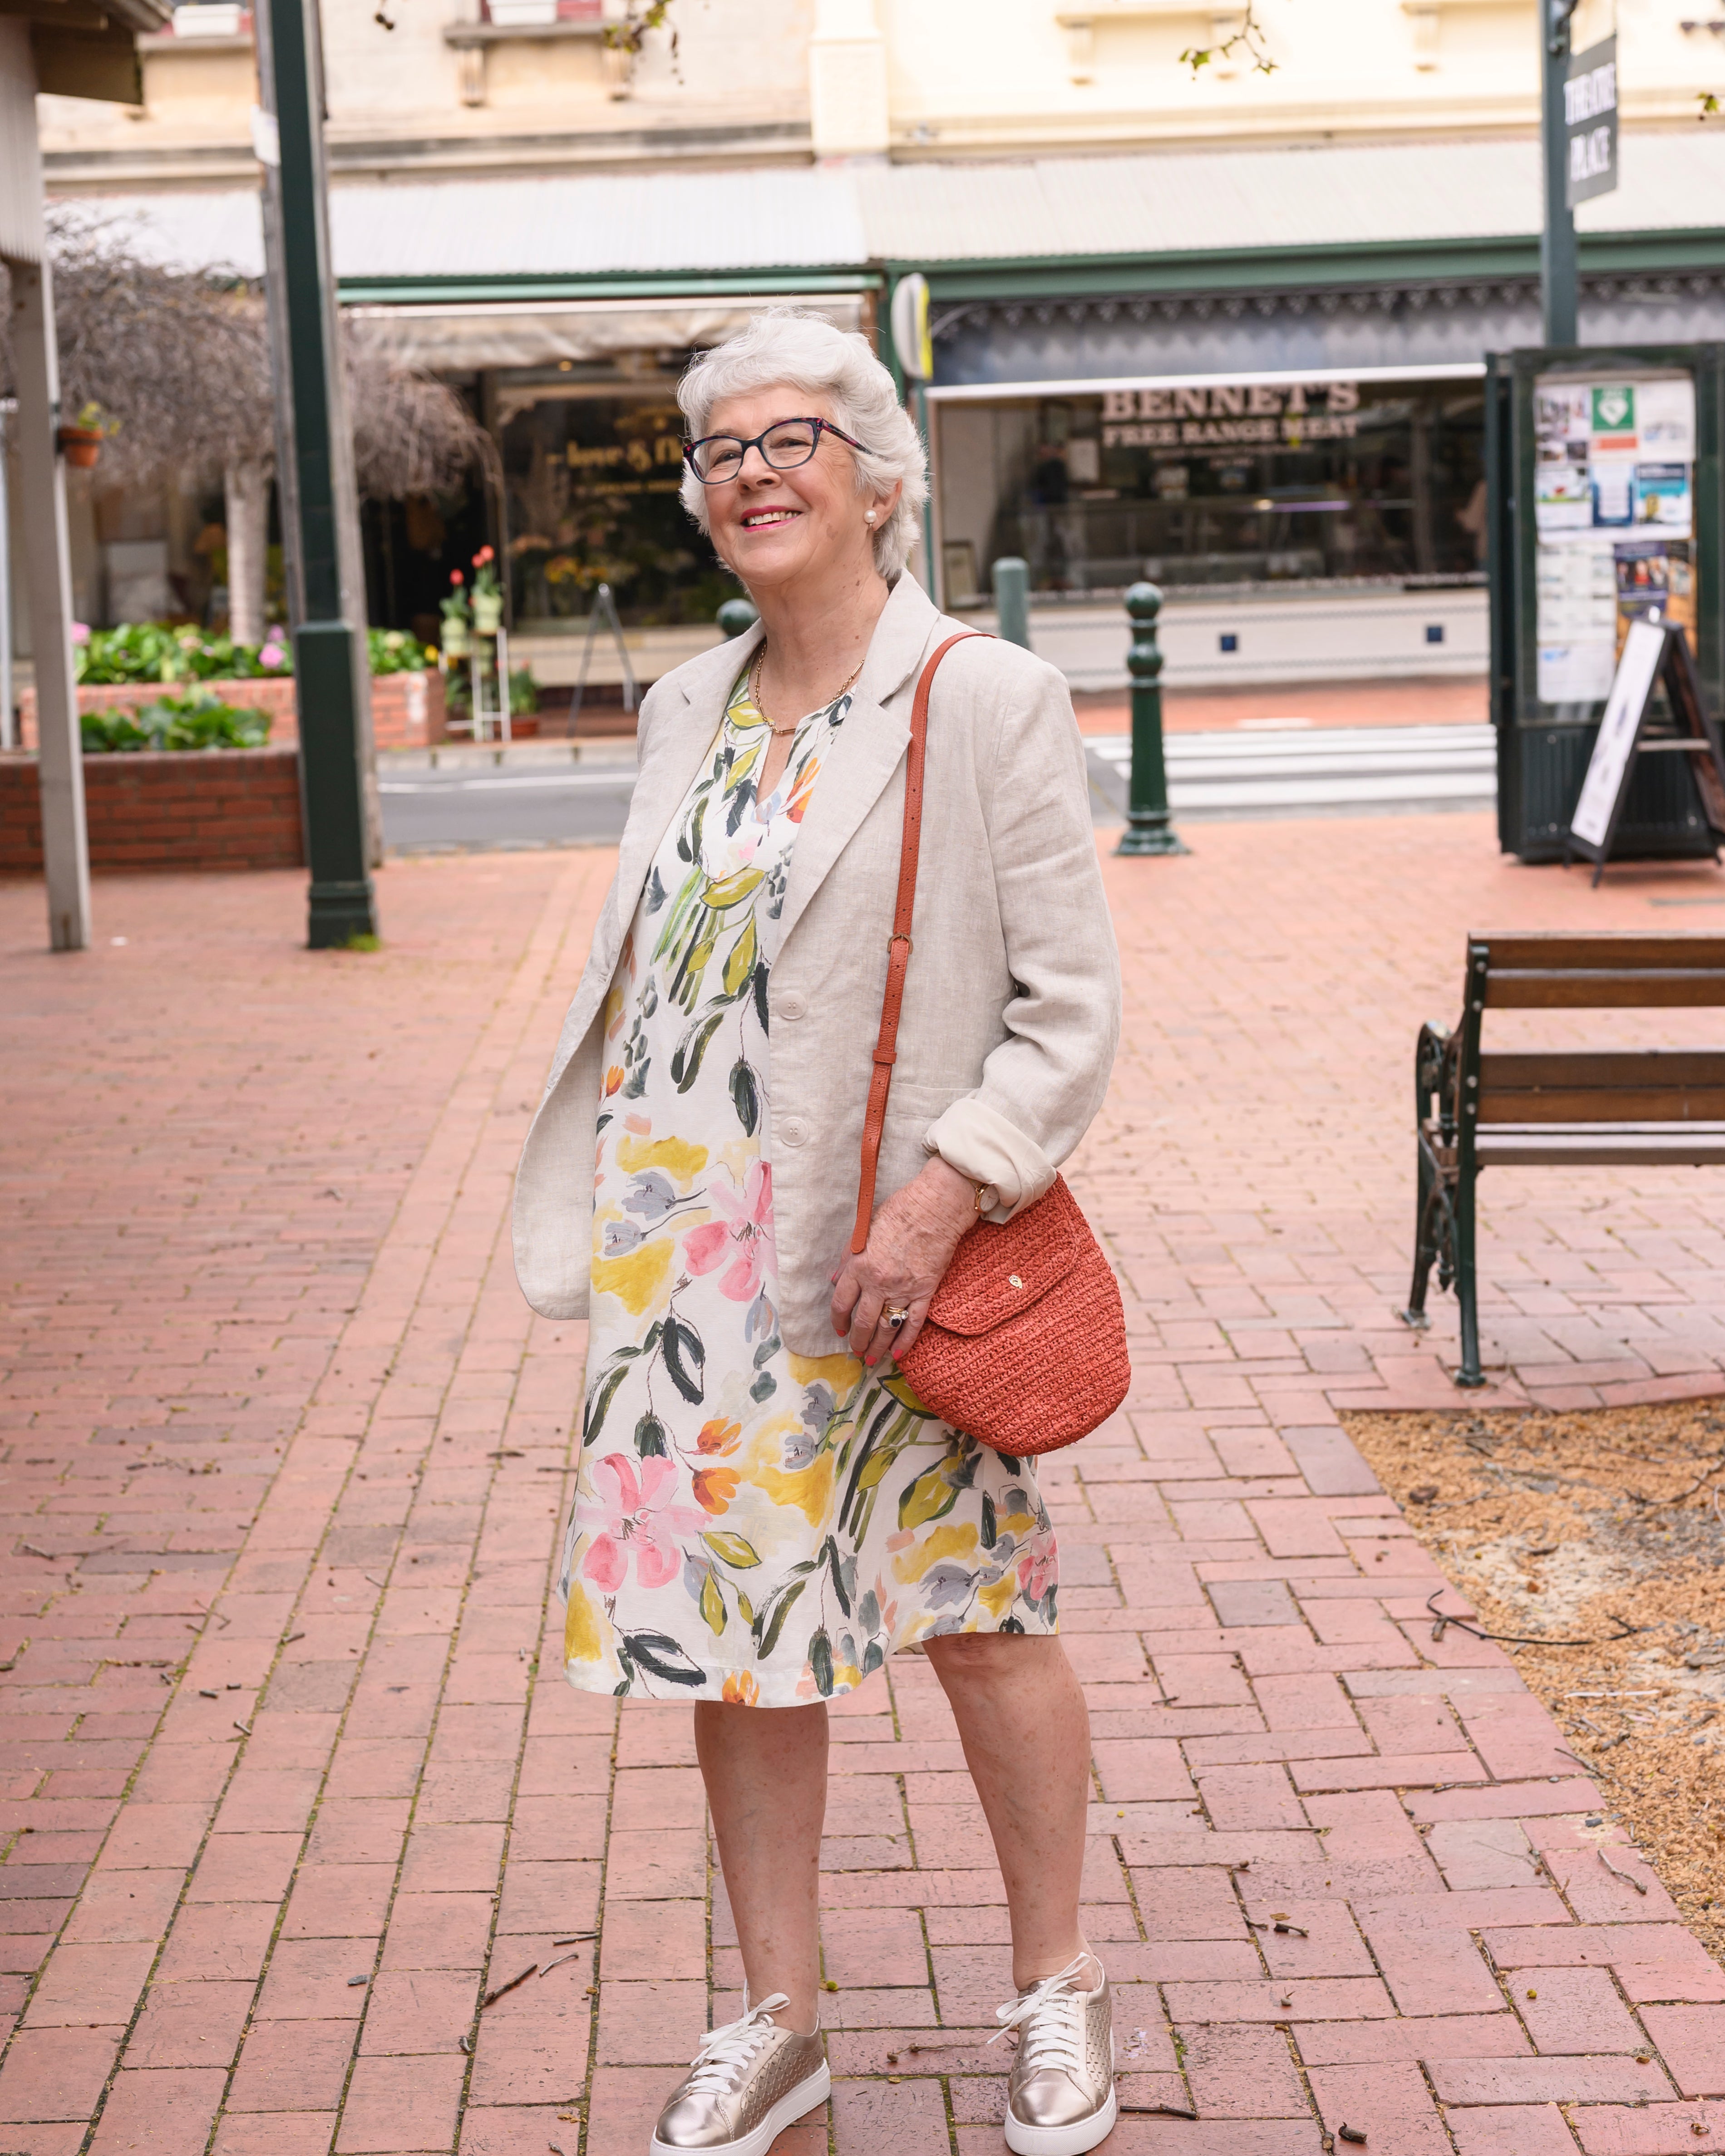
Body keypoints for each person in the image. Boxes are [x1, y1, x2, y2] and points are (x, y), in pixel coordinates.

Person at [513, 309, 1122, 2156]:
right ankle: (777, 2019)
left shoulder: (979, 697)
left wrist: (939, 1201)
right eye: (721, 451)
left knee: (979, 1619)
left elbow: (1067, 1013)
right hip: (686, 1267)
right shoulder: (682, 707)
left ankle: (1055, 1987)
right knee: (732, 1635)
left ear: (877, 480)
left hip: (882, 1259)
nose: (752, 473)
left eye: (792, 440)